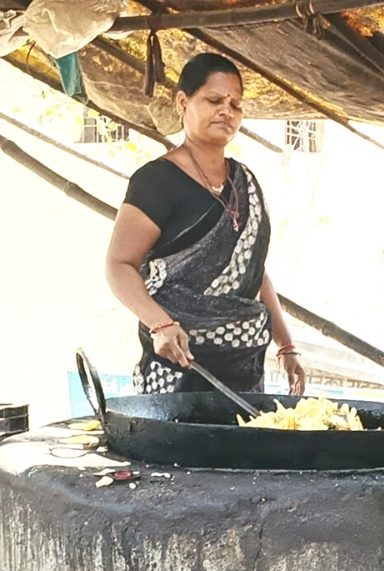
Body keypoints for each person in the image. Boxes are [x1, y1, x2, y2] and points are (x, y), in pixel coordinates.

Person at [105, 52, 305, 396]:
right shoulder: (156, 181)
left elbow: (253, 272)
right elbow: (119, 265)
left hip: (244, 370)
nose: (227, 111)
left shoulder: (244, 182)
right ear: (183, 102)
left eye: (235, 104)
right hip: (178, 367)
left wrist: (286, 346)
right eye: (214, 100)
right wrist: (160, 324)